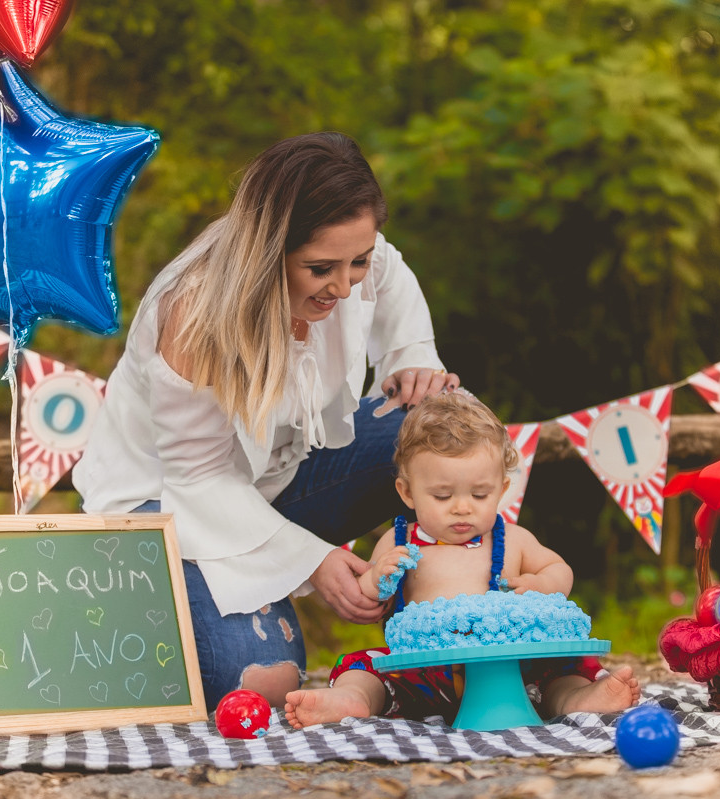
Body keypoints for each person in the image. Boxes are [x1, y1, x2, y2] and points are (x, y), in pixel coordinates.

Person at [73, 132, 460, 711]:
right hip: (170, 505)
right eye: (320, 268)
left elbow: (391, 274)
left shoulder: (356, 263)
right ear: (267, 252)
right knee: (261, 682)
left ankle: (442, 634)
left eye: (358, 261)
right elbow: (197, 479)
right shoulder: (195, 310)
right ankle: (138, 612)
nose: (344, 285)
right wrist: (314, 558)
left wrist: (413, 356)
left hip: (278, 481)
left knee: (446, 426)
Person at [283, 392, 641, 728]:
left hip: (513, 667)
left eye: (480, 493)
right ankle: (352, 699)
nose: (462, 507)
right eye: (442, 495)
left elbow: (559, 569)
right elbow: (370, 594)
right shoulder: (400, 540)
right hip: (422, 671)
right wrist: (377, 577)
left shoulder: (512, 539)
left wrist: (541, 584)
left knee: (563, 670)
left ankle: (576, 699)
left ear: (501, 489)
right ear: (407, 492)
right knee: (363, 667)